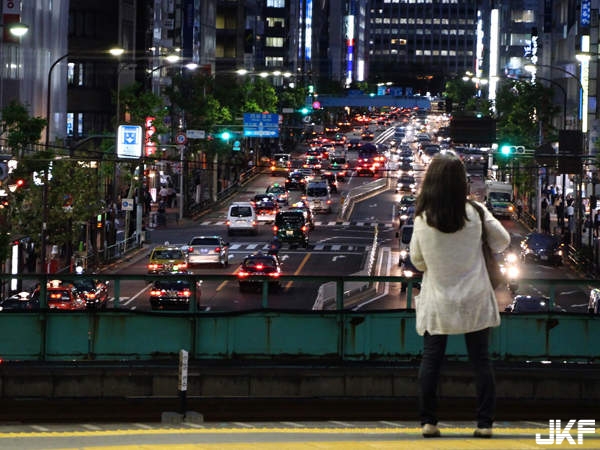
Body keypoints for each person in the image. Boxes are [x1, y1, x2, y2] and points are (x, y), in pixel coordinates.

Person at [409, 153, 510, 439]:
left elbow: (417, 262)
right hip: (475, 299)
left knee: (431, 361)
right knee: (480, 362)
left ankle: (429, 422)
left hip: (438, 301)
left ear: (432, 182)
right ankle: (484, 423)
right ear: (461, 183)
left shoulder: (423, 218)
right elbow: (502, 241)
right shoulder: (476, 212)